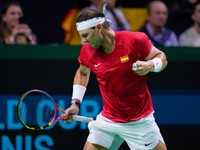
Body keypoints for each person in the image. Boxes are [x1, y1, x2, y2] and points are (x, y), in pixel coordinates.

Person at [63, 4, 168, 150]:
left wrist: (150, 65)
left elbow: (162, 57)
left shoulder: (134, 40)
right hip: (108, 121)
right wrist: (75, 102)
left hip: (139, 122)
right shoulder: (87, 51)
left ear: (99, 28)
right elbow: (83, 72)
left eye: (86, 35)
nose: (84, 41)